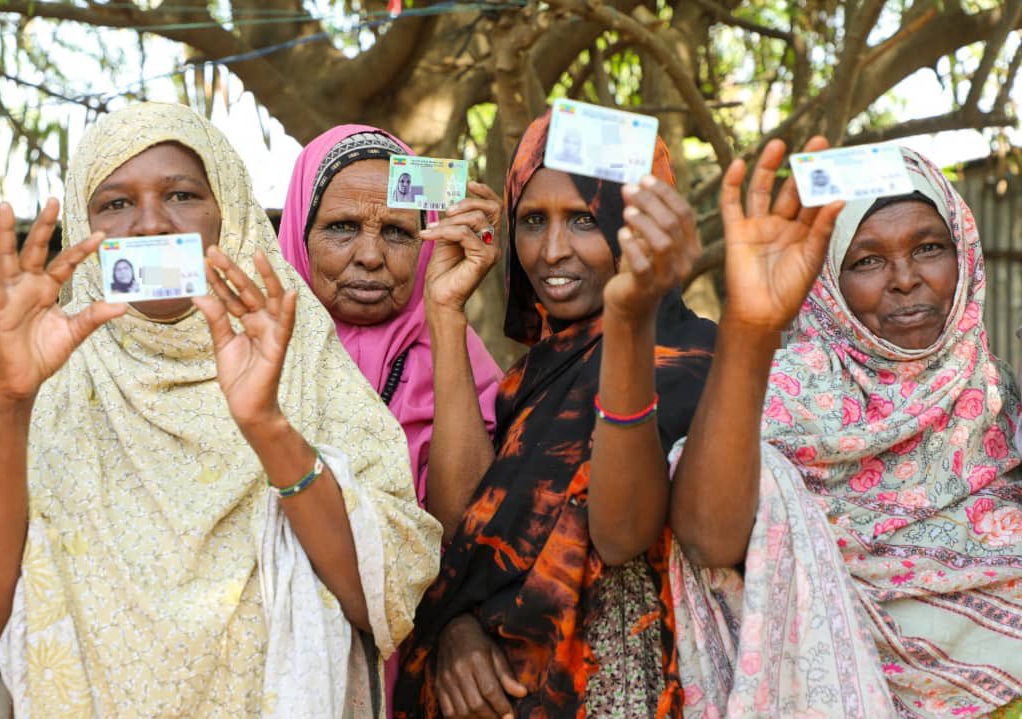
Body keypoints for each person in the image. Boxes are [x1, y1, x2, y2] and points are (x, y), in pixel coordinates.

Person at [0, 102, 441, 718]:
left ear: (227, 213)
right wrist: (9, 405)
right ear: (82, 223)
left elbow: (383, 600)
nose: (152, 225)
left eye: (181, 195)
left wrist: (266, 425)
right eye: (115, 204)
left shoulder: (303, 358)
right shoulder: (33, 381)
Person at [667, 142, 1022, 717]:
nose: (906, 279)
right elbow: (707, 538)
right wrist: (750, 327)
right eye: (867, 260)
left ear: (965, 255)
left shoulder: (999, 399)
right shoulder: (776, 395)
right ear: (828, 281)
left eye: (929, 248)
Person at [393, 110, 715, 719]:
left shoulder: (698, 363)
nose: (552, 252)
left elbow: (622, 538)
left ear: (640, 224)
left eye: (585, 220)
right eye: (533, 221)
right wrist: (445, 312)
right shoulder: (528, 382)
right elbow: (465, 542)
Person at [277, 124, 503, 715]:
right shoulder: (249, 350)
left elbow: (464, 532)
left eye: (399, 233)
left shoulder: (453, 358)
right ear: (299, 231)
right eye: (342, 228)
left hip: (410, 670)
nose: (371, 256)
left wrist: (445, 315)